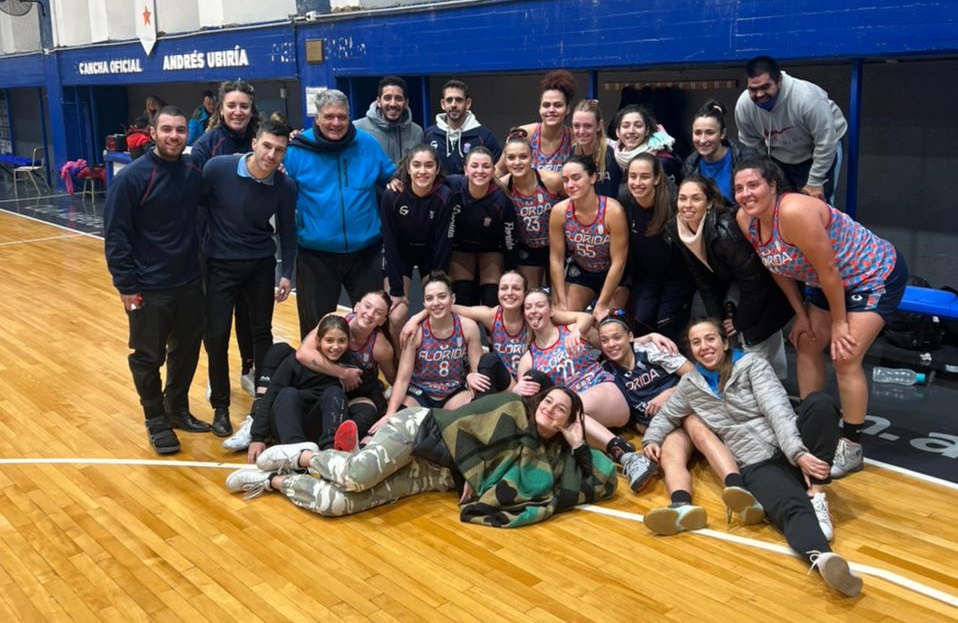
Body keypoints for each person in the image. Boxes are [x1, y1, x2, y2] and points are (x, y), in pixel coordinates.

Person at [643, 319, 862, 597]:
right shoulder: (690, 385)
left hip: (790, 442)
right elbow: (666, 415)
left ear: (724, 342)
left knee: (819, 403)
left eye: (710, 339)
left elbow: (777, 410)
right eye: (696, 342)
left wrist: (798, 453)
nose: (704, 347)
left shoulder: (752, 365)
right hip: (755, 463)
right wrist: (651, 439)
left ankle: (817, 491)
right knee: (790, 510)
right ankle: (824, 559)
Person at [734, 157, 908, 478]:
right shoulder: (747, 221)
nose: (746, 194)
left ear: (773, 186)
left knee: (845, 355)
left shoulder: (793, 211)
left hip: (871, 274)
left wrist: (840, 324)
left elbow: (830, 270)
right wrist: (800, 314)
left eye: (754, 185)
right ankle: (810, 426)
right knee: (807, 342)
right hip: (822, 281)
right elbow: (778, 267)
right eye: (739, 188)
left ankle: (852, 447)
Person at [226, 388, 617, 528]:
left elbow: (598, 480)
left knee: (339, 504)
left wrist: (580, 445)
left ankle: (274, 482)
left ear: (570, 420)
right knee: (356, 474)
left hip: (438, 474)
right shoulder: (514, 407)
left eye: (561, 409)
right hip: (420, 431)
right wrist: (473, 470)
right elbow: (461, 425)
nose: (550, 409)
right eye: (548, 400)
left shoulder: (551, 451)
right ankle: (307, 455)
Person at [104, 105, 210, 455]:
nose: (174, 136)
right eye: (167, 129)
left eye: (180, 130)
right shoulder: (131, 178)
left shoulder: (194, 172)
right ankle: (155, 418)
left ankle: (176, 408)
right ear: (153, 133)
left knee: (187, 350)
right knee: (147, 356)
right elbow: (116, 236)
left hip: (190, 283)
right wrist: (127, 285)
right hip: (148, 288)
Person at [595, 312, 762, 524]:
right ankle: (682, 506)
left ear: (629, 336)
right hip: (662, 426)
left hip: (685, 408)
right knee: (669, 457)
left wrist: (670, 393)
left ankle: (739, 489)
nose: (611, 344)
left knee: (700, 432)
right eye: (605, 340)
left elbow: (694, 374)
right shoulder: (604, 371)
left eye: (617, 337)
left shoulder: (652, 350)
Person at [201, 118, 297, 436]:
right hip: (218, 266)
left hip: (259, 265)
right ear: (254, 143)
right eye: (267, 146)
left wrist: (287, 273)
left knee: (262, 334)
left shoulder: (284, 185)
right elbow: (197, 210)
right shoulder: (217, 168)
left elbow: (287, 229)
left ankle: (261, 406)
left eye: (279, 150)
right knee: (216, 335)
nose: (271, 154)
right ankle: (221, 407)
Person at [284, 89, 396, 337]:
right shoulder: (296, 150)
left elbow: (392, 176)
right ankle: (316, 376)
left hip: (365, 253)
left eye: (342, 117)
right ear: (317, 119)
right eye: (329, 117)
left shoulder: (367, 144)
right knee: (315, 329)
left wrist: (396, 182)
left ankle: (367, 373)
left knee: (374, 324)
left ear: (349, 117)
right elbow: (278, 186)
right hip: (316, 255)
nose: (336, 123)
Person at [671, 175, 793, 378]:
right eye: (682, 198)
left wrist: (739, 322)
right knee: (745, 344)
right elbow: (704, 281)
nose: (687, 205)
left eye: (696, 198)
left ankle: (768, 394)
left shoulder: (725, 229)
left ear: (709, 203)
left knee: (753, 352)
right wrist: (718, 322)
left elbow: (756, 282)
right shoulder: (680, 229)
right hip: (740, 289)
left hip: (770, 288)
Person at [190, 79, 263, 392]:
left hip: (252, 244)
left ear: (251, 109)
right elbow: (194, 196)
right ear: (220, 109)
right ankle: (216, 375)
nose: (237, 111)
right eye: (231, 105)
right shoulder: (208, 145)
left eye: (243, 106)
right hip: (214, 246)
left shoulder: (261, 140)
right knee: (216, 321)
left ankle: (249, 366)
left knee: (250, 314)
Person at [245, 315, 386, 463]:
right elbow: (271, 395)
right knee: (288, 393)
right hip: (289, 424)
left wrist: (387, 419)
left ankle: (331, 453)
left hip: (319, 425)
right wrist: (257, 437)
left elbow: (374, 393)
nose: (335, 346)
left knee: (335, 392)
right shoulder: (295, 362)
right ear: (318, 341)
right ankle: (294, 452)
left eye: (342, 341)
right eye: (329, 340)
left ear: (349, 341)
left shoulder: (351, 368)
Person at [734, 56, 848, 203]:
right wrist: (769, 166)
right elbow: (751, 142)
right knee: (781, 204)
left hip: (819, 149)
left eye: (765, 87)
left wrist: (815, 181)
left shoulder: (807, 99)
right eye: (753, 89)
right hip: (779, 154)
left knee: (818, 204)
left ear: (779, 81)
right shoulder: (744, 106)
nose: (760, 94)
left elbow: (825, 142)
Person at [380, 272, 484, 421]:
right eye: (429, 298)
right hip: (420, 392)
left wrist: (471, 378)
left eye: (442, 296)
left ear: (452, 299)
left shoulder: (468, 327)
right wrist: (390, 413)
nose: (436, 303)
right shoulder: (415, 331)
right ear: (424, 304)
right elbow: (402, 379)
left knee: (475, 413)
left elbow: (477, 371)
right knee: (398, 422)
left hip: (453, 392)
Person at [380, 144, 454, 343]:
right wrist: (396, 292)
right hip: (401, 256)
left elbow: (443, 245)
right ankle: (400, 362)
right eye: (417, 165)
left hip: (431, 258)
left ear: (437, 169)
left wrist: (437, 288)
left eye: (429, 165)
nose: (423, 171)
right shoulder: (392, 196)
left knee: (438, 309)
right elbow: (390, 244)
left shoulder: (445, 197)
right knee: (396, 316)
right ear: (409, 168)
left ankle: (432, 357)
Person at [622, 153, 696, 342]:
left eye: (644, 177)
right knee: (642, 321)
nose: (637, 182)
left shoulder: (675, 203)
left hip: (678, 277)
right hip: (647, 277)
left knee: (667, 325)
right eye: (633, 176)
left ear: (656, 178)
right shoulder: (624, 199)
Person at [548, 155, 629, 321]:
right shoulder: (559, 211)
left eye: (576, 178)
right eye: (565, 180)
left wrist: (602, 304)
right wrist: (561, 300)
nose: (570, 185)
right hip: (583, 270)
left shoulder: (612, 211)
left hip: (614, 272)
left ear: (593, 178)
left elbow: (619, 261)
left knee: (607, 324)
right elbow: (556, 258)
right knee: (562, 318)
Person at [447, 147, 517, 307]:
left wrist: (511, 273)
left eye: (486, 166)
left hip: (490, 249)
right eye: (474, 166)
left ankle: (494, 332)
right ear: (465, 169)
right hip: (461, 248)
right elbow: (426, 179)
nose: (480, 171)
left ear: (493, 170)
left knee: (492, 298)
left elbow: (509, 241)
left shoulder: (502, 200)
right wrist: (398, 179)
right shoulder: (452, 185)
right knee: (462, 296)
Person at [500, 128, 565, 287]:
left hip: (556, 245)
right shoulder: (503, 186)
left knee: (559, 299)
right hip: (526, 248)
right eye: (511, 158)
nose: (517, 162)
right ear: (505, 161)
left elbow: (576, 204)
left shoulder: (552, 181)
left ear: (532, 157)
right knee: (531, 299)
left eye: (523, 156)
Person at [680, 100, 758, 204]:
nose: (702, 140)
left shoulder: (746, 158)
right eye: (697, 133)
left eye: (710, 133)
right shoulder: (689, 166)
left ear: (722, 134)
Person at [500, 70, 576, 173]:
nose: (551, 110)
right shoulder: (523, 134)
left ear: (568, 109)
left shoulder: (574, 140)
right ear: (539, 109)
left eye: (558, 105)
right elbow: (499, 170)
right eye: (546, 105)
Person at [423, 79, 502, 174]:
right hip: (438, 189)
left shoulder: (484, 136)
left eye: (459, 100)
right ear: (443, 104)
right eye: (449, 100)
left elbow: (498, 170)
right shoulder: (430, 134)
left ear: (468, 103)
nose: (453, 105)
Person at [354, 75, 424, 164]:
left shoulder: (416, 132)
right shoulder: (358, 129)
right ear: (379, 102)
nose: (393, 104)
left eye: (398, 98)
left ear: (406, 103)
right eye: (387, 98)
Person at [611, 104, 682, 186]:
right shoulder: (611, 159)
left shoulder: (662, 162)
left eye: (638, 125)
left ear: (647, 130)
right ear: (618, 132)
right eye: (625, 126)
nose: (631, 131)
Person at [571, 99, 621, 198]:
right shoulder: (572, 153)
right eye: (576, 126)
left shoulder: (615, 152)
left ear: (599, 126)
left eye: (588, 126)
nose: (581, 131)